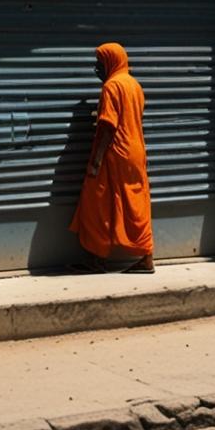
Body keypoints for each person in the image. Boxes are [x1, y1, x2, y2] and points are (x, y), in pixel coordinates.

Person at [68, 42, 154, 274]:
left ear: (110, 62)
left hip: (115, 152)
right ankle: (146, 257)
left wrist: (96, 160)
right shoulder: (134, 85)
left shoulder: (112, 86)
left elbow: (107, 126)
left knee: (96, 202)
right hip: (136, 152)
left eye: (100, 62)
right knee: (135, 203)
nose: (97, 68)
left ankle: (96, 259)